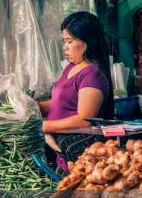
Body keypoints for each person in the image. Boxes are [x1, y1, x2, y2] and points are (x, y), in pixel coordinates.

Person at [38, 12, 114, 169]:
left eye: (70, 41)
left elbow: (84, 119)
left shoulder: (92, 74)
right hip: (61, 152)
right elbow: (62, 103)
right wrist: (34, 107)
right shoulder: (71, 68)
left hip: (79, 155)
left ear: (87, 43)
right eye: (64, 41)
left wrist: (44, 126)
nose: (65, 47)